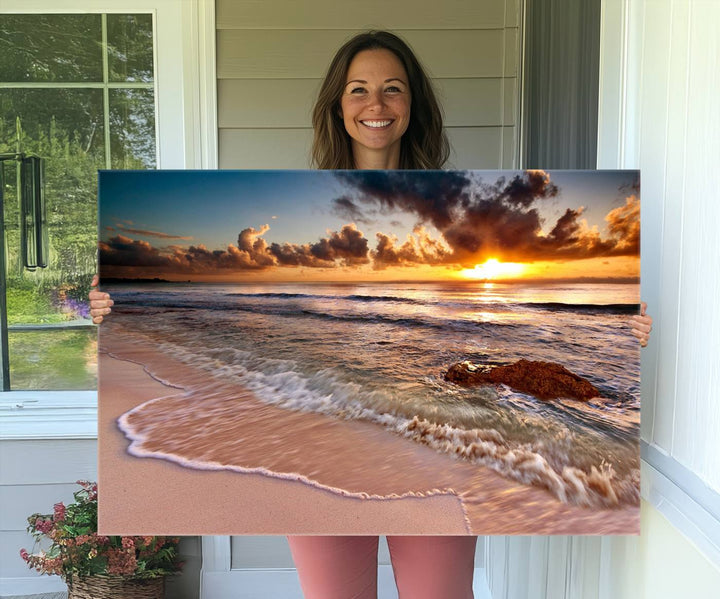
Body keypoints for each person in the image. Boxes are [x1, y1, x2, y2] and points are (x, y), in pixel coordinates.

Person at [90, 30, 653, 599]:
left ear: (413, 106)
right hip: (315, 430)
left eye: (392, 89)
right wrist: (110, 306)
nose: (376, 105)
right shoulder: (293, 203)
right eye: (359, 90)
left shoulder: (461, 199)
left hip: (435, 441)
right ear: (338, 105)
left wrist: (627, 329)